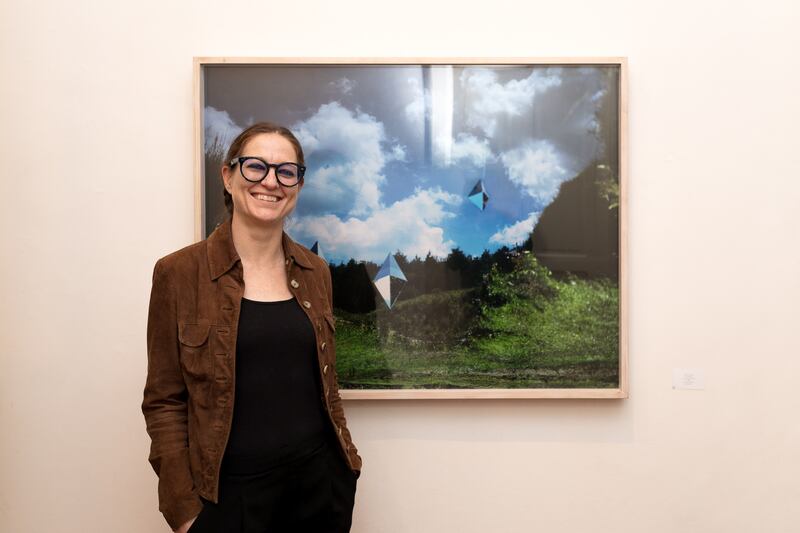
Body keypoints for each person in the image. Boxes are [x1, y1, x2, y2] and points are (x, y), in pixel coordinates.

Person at [142, 122, 362, 532]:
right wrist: (184, 511)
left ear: (297, 185)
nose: (270, 182)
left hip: (320, 491)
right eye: (255, 167)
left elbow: (326, 386)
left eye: (286, 171)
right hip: (226, 500)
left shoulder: (316, 272)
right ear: (228, 176)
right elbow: (163, 401)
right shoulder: (178, 273)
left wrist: (345, 473)